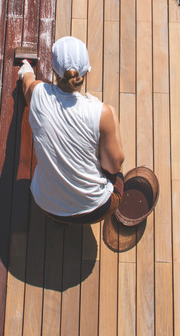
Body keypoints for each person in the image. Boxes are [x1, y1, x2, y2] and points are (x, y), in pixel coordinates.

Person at [17, 36, 125, 224]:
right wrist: (111, 116)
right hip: (96, 209)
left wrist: (26, 68)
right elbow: (113, 166)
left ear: (54, 71)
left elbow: (26, 83)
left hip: (47, 205)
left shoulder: (38, 94)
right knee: (118, 166)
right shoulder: (101, 112)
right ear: (86, 72)